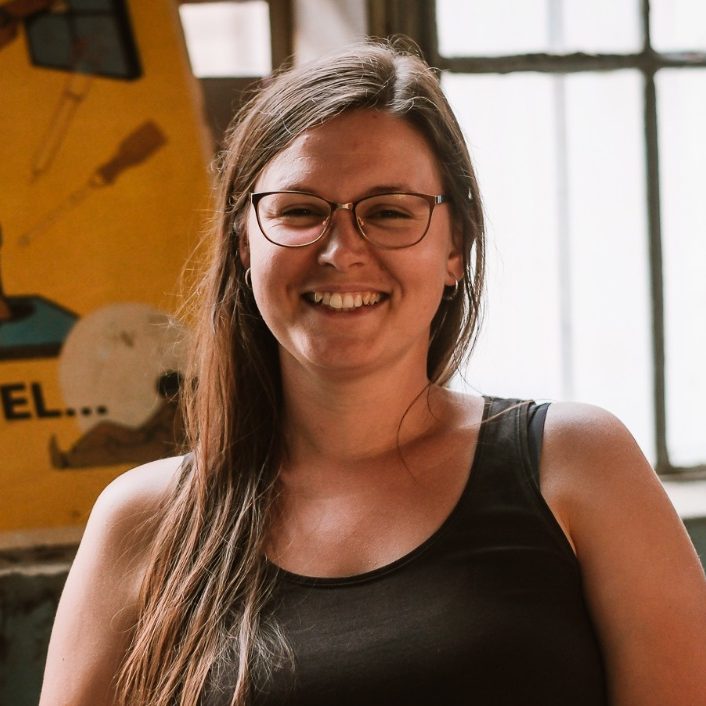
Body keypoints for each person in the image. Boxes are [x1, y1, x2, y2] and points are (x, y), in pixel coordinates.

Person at [39, 39, 706, 706]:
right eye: (300, 211)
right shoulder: (146, 519)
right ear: (244, 243)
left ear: (455, 248)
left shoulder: (578, 464)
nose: (341, 251)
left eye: (389, 212)